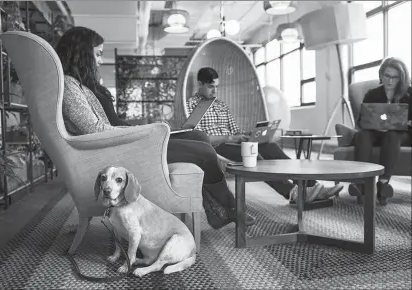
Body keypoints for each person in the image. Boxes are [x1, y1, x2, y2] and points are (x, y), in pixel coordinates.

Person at [54, 26, 254, 229]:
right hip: (124, 148)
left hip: (130, 141)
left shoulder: (83, 85)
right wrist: (144, 132)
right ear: (81, 55)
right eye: (97, 54)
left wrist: (147, 129)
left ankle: (217, 210)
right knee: (205, 152)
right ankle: (230, 209)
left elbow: (110, 123)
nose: (100, 60)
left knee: (199, 136)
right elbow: (95, 130)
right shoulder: (71, 86)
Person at [187, 67, 344, 203]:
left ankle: (312, 186)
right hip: (217, 147)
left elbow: (235, 130)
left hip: (234, 142)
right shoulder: (194, 105)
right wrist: (230, 138)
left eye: (217, 87)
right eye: (210, 87)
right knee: (253, 155)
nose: (215, 91)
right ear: (200, 84)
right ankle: (292, 192)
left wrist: (248, 135)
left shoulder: (221, 105)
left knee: (270, 147)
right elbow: (198, 138)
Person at [349, 57, 412, 206]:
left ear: (401, 78)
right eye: (387, 76)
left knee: (392, 135)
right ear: (381, 75)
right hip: (375, 132)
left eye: (395, 77)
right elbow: (360, 121)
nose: (390, 81)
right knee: (363, 135)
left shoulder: (409, 93)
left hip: (400, 134)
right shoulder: (372, 94)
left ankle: (383, 184)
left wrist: (407, 123)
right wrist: (373, 124)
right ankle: (362, 183)